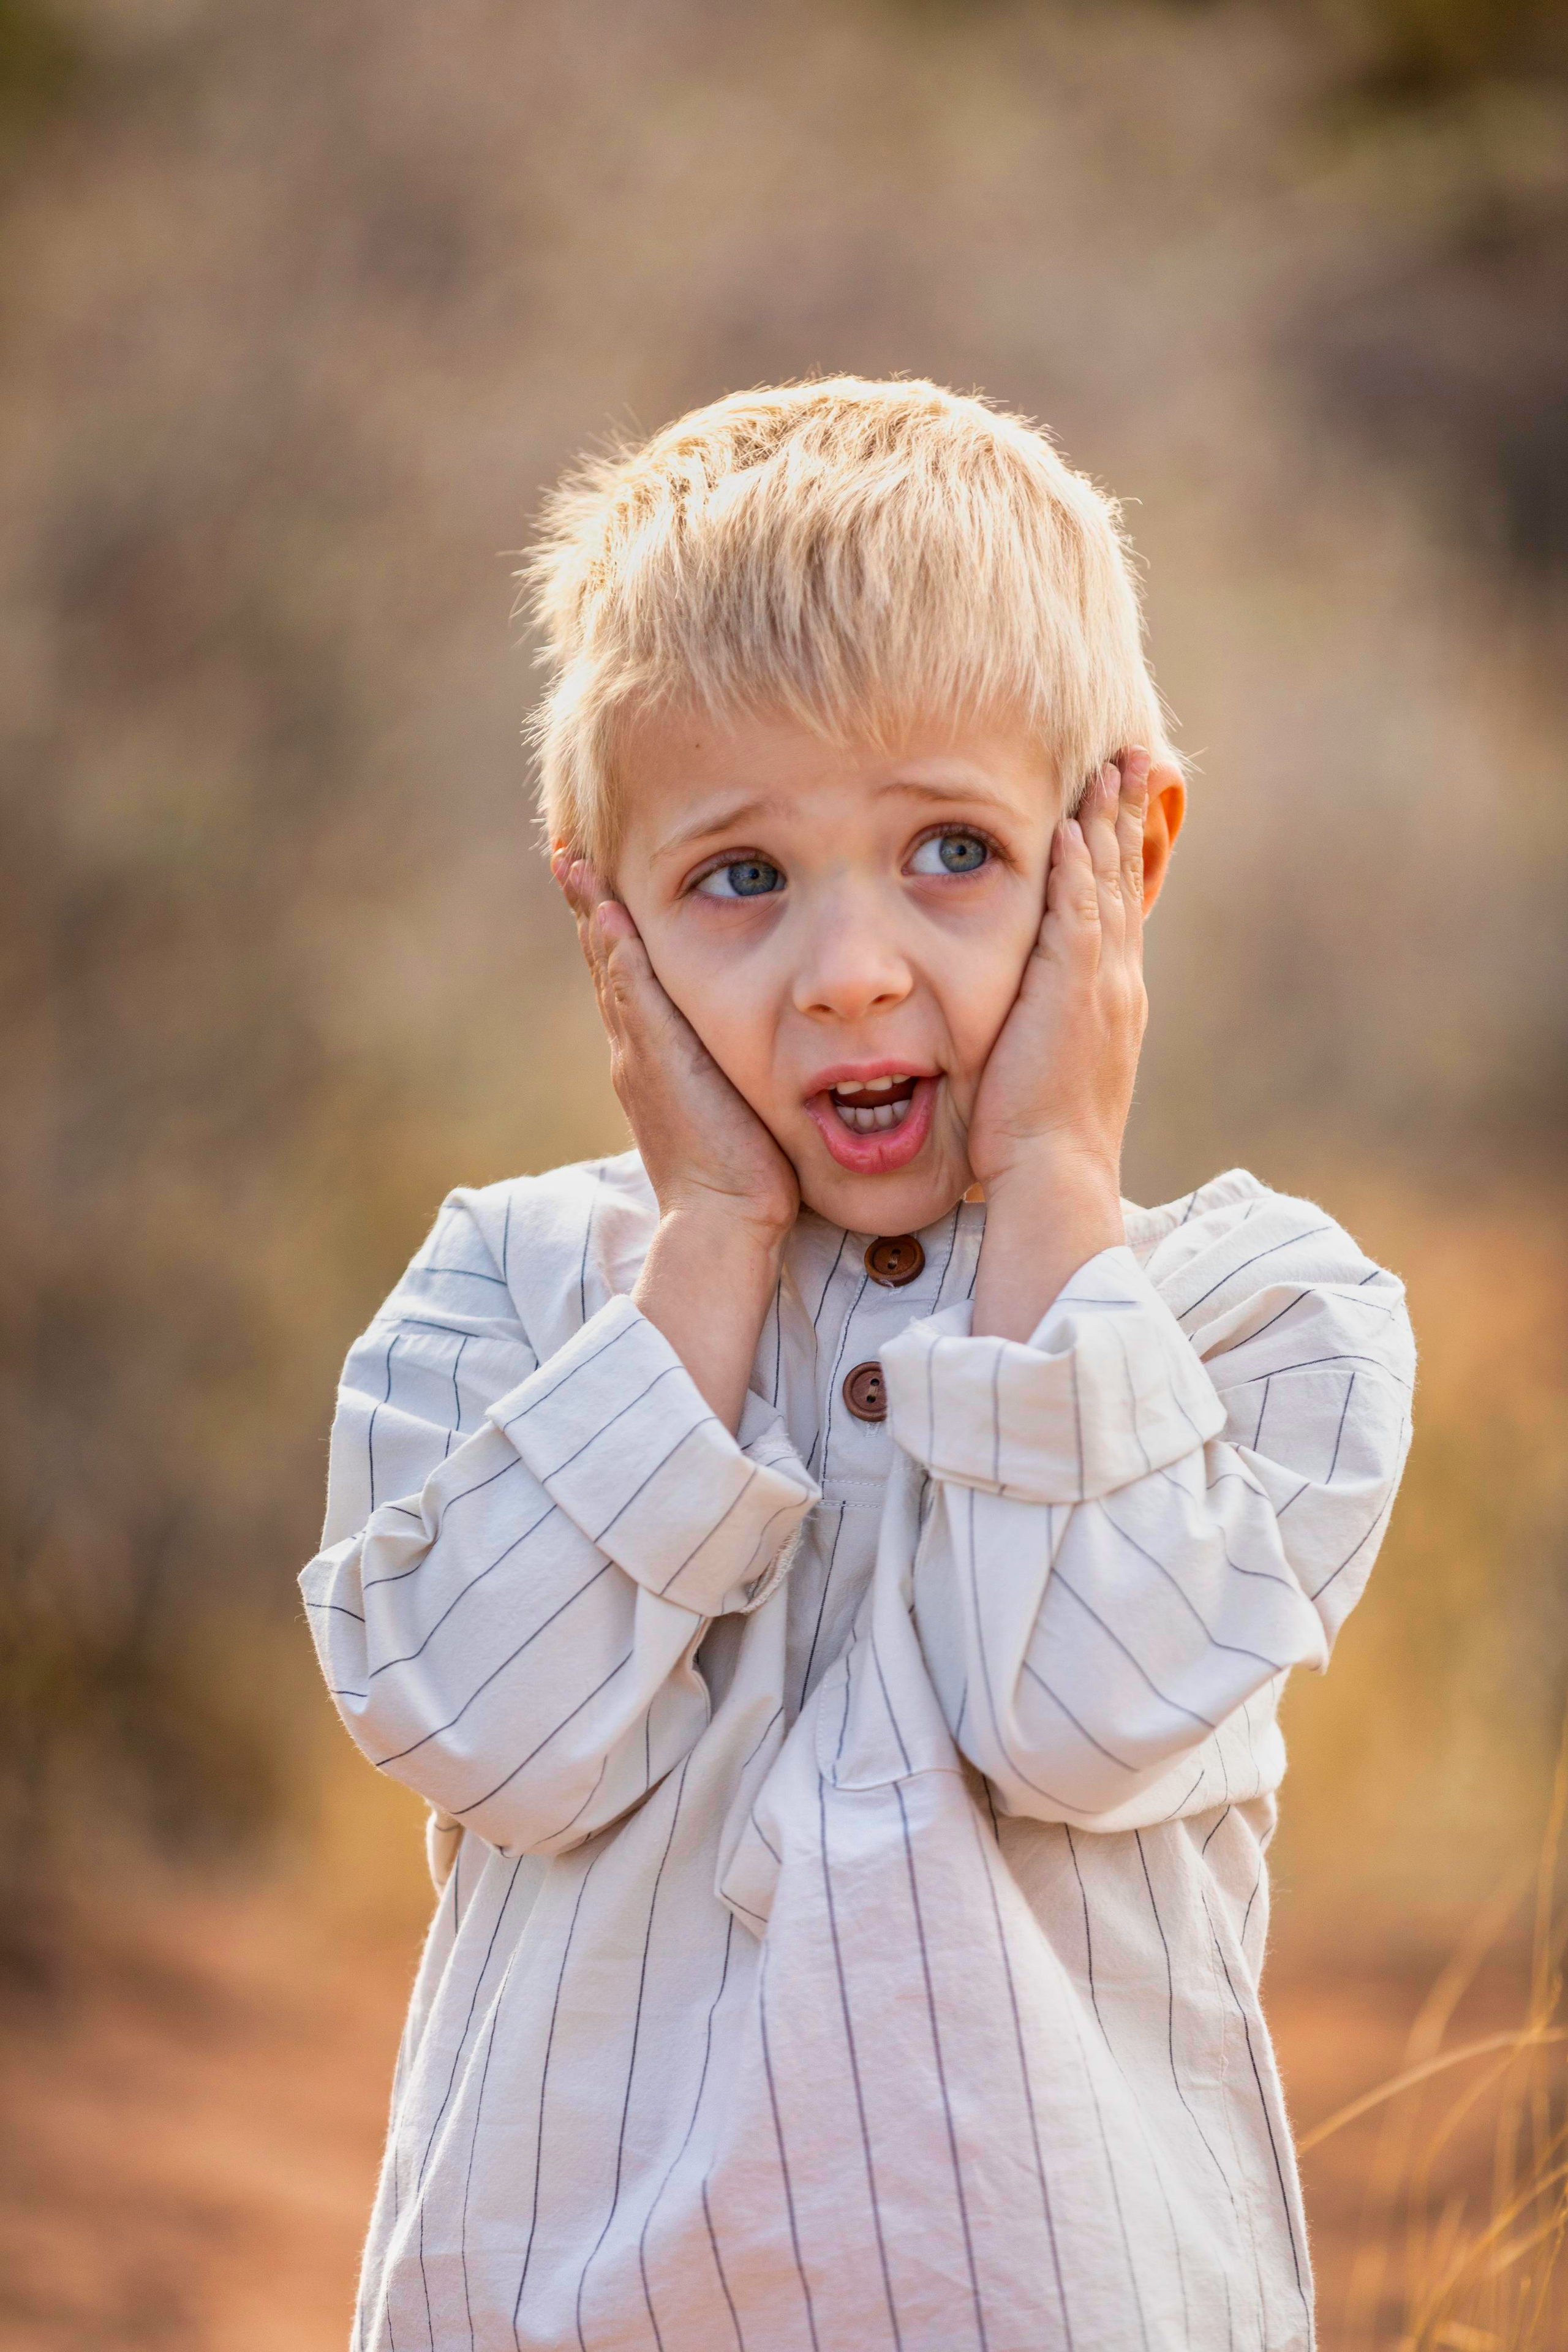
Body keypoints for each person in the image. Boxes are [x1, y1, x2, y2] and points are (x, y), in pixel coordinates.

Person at [301, 377, 1414, 2352]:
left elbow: (1082, 1711)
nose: (850, 971)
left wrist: (1057, 1172)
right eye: (742, 877)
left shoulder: (1267, 1324)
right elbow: (471, 1717)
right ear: (603, 916)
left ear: (1125, 855)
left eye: (956, 856)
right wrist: (712, 1245)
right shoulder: (506, 1296)